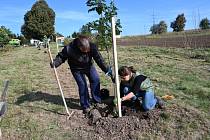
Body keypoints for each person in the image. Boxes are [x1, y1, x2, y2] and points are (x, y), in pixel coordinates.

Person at [50, 35, 112, 114]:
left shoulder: (92, 46)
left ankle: (96, 100)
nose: (86, 52)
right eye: (84, 50)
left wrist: (107, 69)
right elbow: (61, 57)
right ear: (79, 47)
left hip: (89, 66)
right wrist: (55, 63)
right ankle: (85, 105)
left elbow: (99, 59)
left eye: (87, 50)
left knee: (95, 79)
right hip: (76, 69)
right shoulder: (69, 48)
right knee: (82, 85)